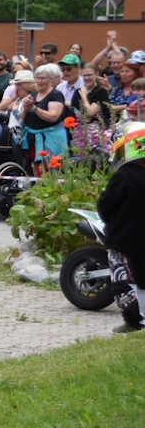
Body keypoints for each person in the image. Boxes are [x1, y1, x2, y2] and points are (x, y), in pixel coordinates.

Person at [97, 121, 145, 333]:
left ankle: (134, 321)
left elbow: (105, 205)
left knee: (123, 279)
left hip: (123, 240)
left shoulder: (123, 176)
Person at [18, 63, 67, 170]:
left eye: (43, 78)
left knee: (49, 169)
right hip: (32, 138)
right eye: (38, 78)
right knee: (34, 169)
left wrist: (33, 108)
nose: (40, 81)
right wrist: (26, 107)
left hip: (50, 137)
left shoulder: (56, 94)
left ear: (50, 79)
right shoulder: (34, 95)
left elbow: (53, 117)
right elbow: (20, 116)